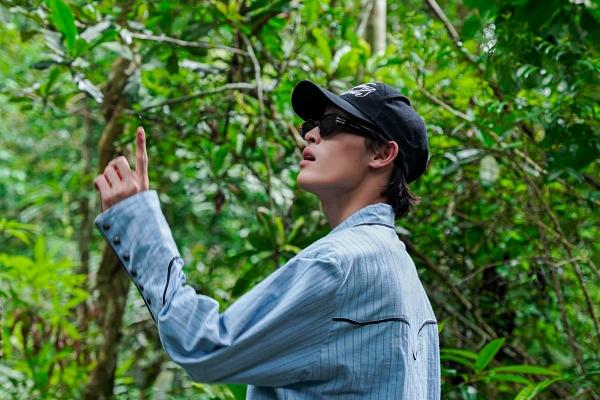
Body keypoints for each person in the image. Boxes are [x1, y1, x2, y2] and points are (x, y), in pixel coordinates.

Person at [93, 80, 440, 399]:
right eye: (310, 126)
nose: (311, 135)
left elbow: (202, 346)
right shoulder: (410, 288)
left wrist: (136, 222)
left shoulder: (338, 263)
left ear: (381, 154)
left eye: (331, 125)